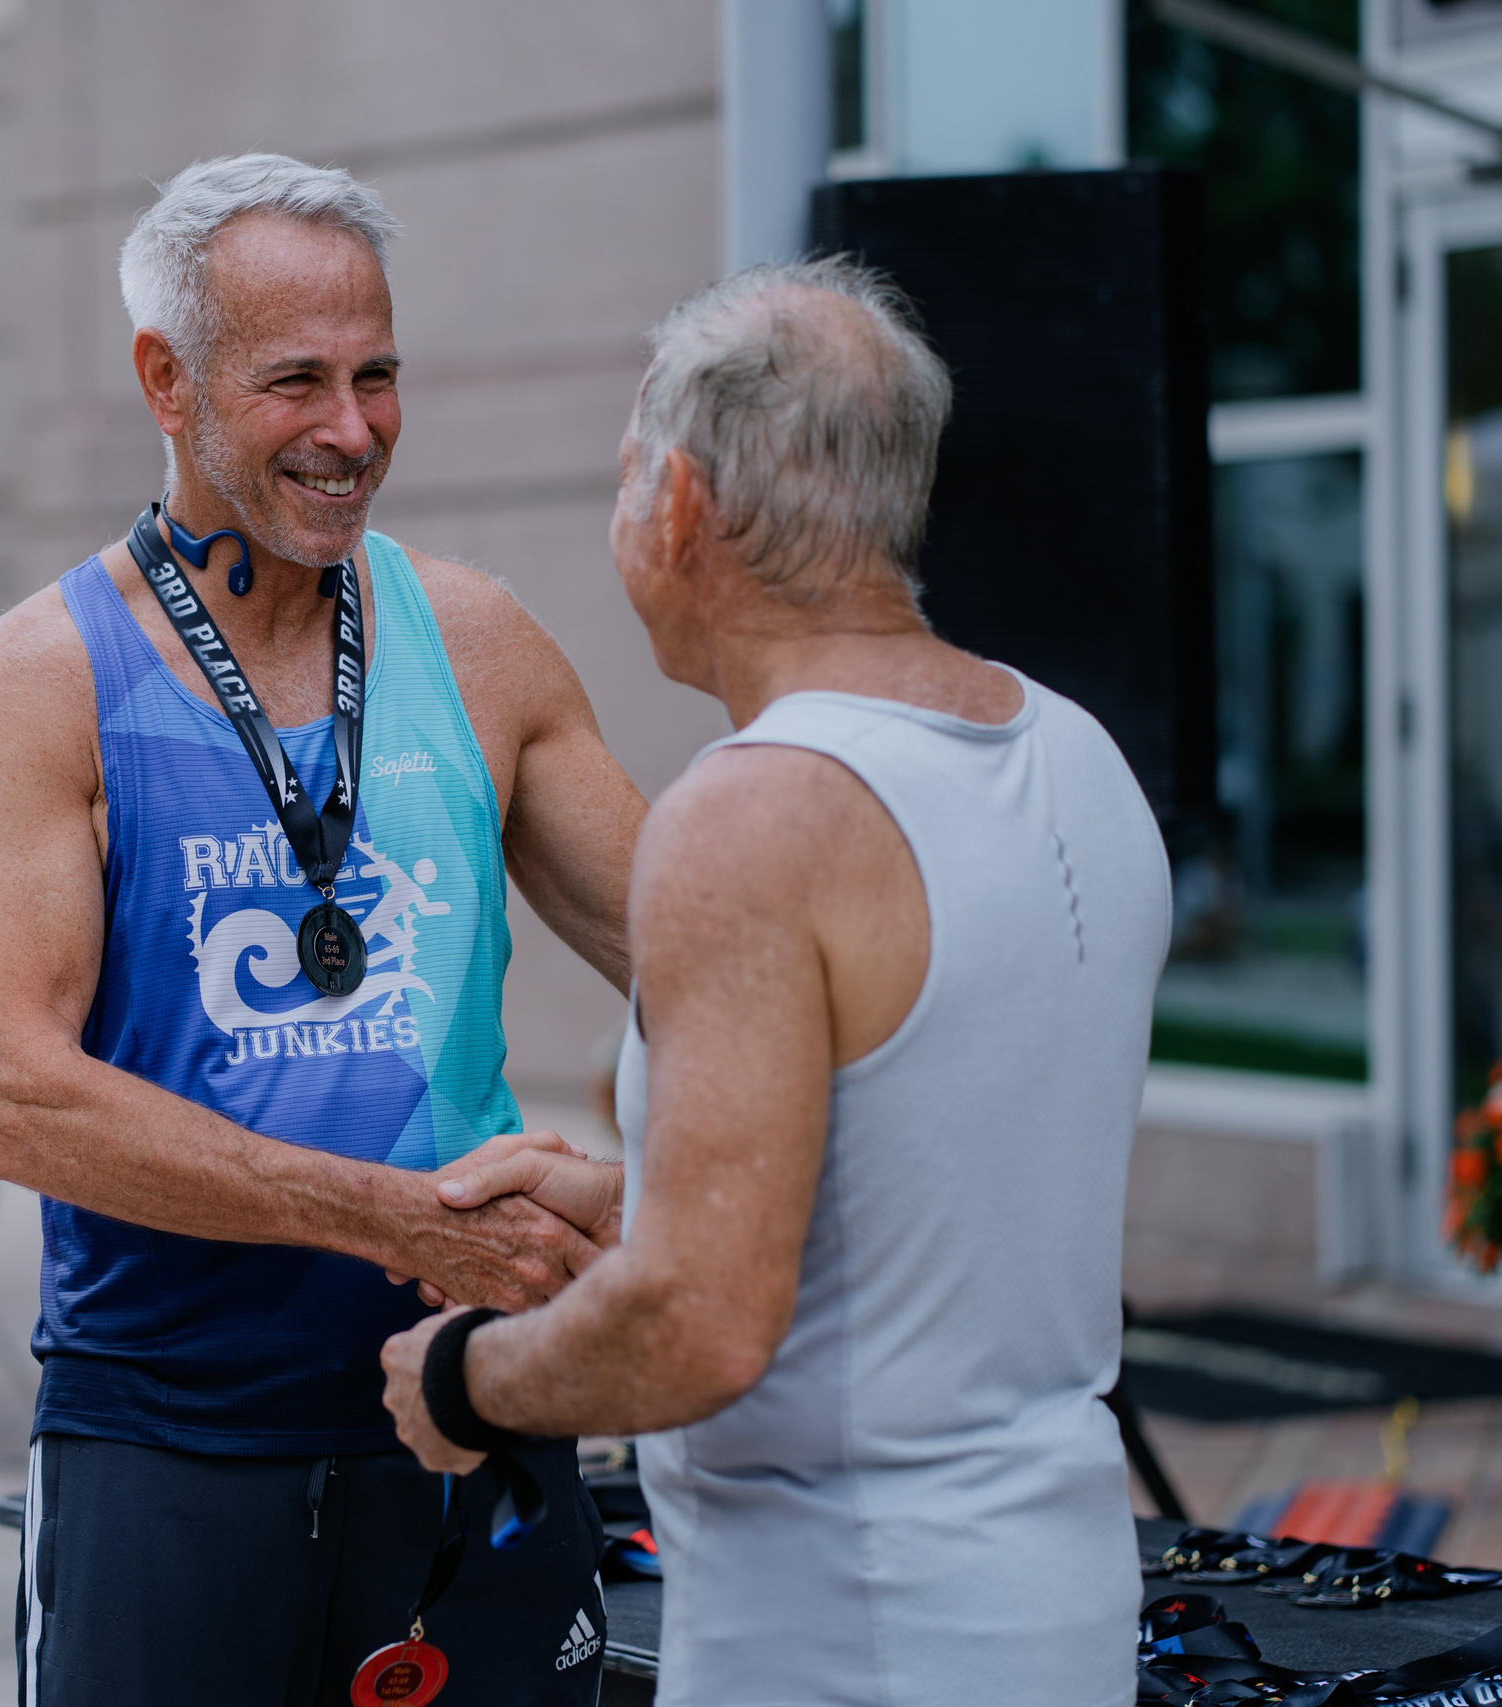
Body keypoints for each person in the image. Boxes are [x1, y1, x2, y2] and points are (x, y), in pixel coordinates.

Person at [381, 259, 1171, 1706]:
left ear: (678, 504)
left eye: (624, 476)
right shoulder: (1077, 751)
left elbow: (702, 1326)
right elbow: (937, 1192)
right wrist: (637, 1200)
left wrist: (460, 1377)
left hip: (849, 1629)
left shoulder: (750, 815)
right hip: (1056, 1596)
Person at [0, 154, 646, 1706]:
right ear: (166, 383)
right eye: (297, 382)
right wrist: (384, 1214)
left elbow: (718, 969)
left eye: (378, 375)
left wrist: (640, 1197)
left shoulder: (476, 637)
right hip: (169, 1426)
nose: (352, 430)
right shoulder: (36, 679)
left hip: (472, 1405)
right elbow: (12, 1092)